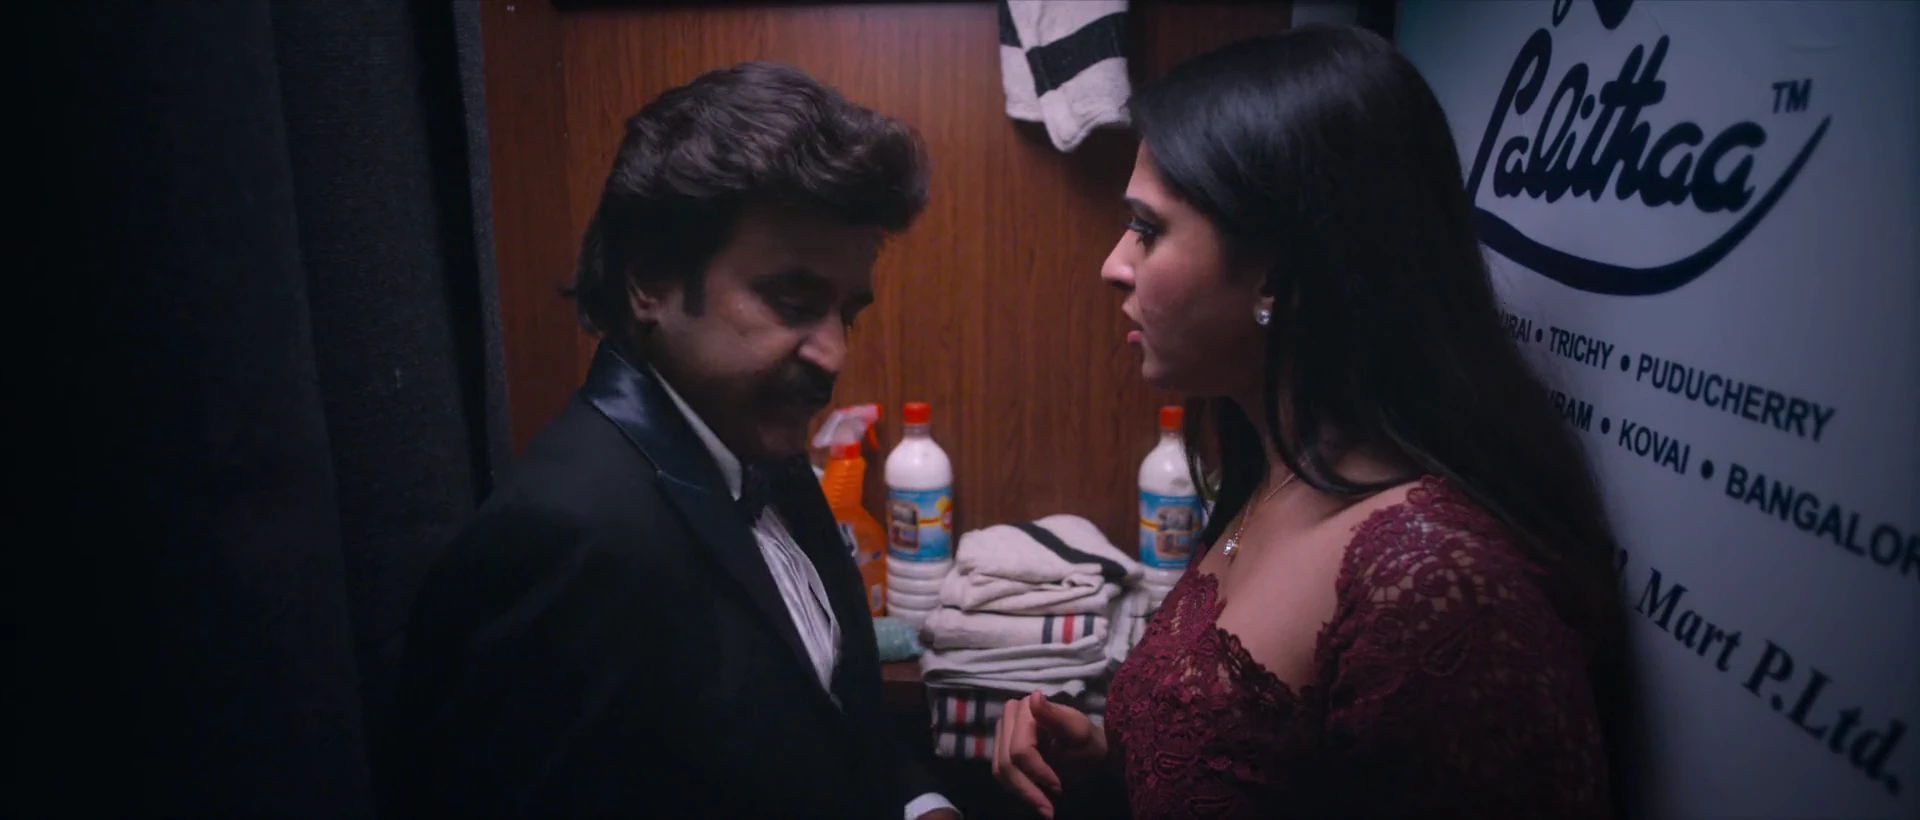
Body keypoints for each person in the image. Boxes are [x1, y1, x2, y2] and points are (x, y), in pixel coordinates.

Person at [992, 26, 1631, 819]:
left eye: (1148, 230)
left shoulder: (1440, 590)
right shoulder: (1272, 475)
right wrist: (1108, 764)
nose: (1113, 265)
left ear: (1282, 271)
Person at [378, 61, 957, 820]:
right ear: (650, 280)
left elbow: (837, 726)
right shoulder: (563, 541)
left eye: (846, 312)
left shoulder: (761, 451)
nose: (834, 353)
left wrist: (923, 805)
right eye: (792, 299)